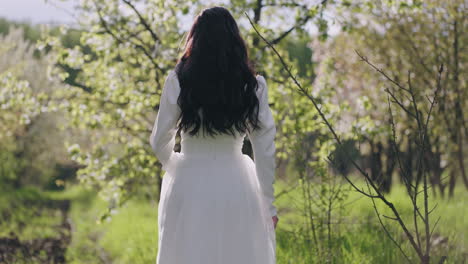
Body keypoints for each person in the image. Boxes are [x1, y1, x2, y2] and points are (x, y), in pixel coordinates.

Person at [150, 6, 278, 264]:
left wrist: (173, 164)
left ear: (195, 38)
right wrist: (269, 203)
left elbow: (159, 140)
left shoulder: (178, 80)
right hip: (237, 182)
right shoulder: (252, 85)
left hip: (188, 179)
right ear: (235, 40)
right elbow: (264, 149)